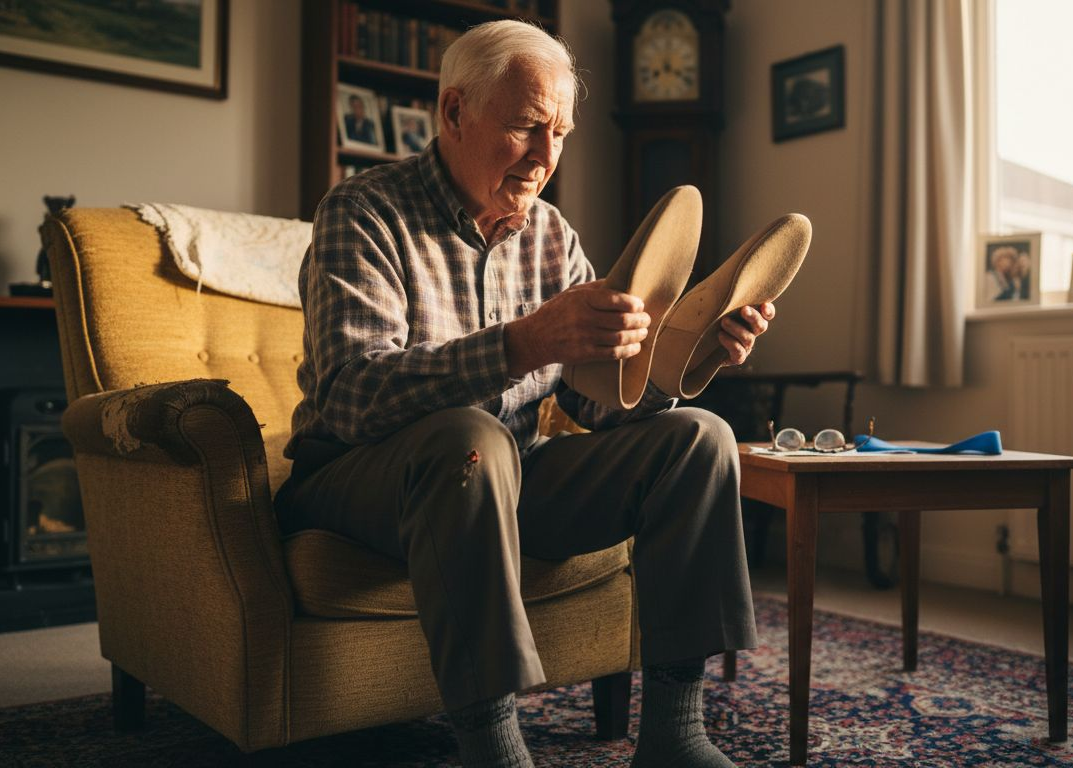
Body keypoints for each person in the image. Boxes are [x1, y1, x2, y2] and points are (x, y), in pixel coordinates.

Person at [276, 20, 765, 768]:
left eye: (560, 132)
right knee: (469, 437)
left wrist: (685, 362)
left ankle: (676, 732)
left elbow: (597, 404)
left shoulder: (553, 236)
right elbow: (349, 397)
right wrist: (523, 344)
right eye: (526, 127)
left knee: (697, 438)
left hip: (508, 469)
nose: (545, 157)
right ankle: (493, 746)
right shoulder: (362, 211)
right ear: (453, 113)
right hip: (360, 477)